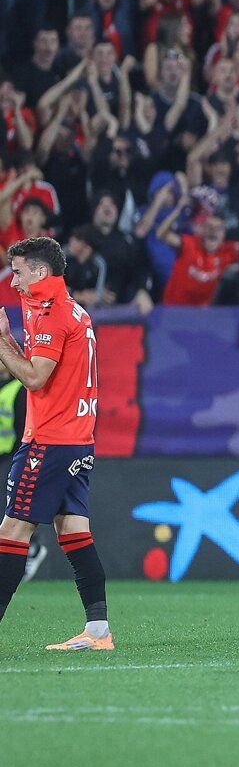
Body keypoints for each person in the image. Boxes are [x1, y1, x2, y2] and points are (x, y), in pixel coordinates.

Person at [0, 236, 107, 651]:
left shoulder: (51, 312)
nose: (14, 282)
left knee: (12, 529)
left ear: (41, 272)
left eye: (20, 272)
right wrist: (9, 340)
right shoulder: (67, 307)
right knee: (73, 529)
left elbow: (33, 377)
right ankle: (98, 632)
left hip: (50, 439)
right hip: (77, 440)